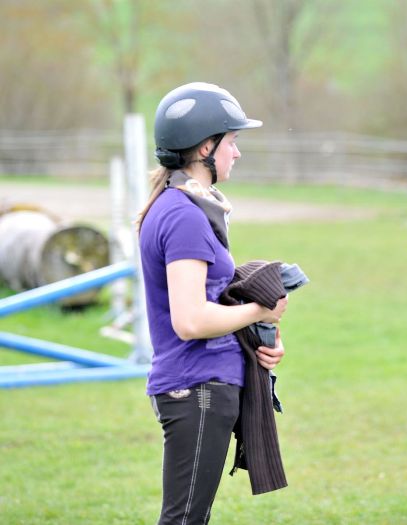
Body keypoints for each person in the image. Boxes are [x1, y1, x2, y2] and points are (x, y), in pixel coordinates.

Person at [137, 82, 288, 525]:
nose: (237, 152)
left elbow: (206, 301)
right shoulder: (184, 216)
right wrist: (260, 311)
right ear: (206, 147)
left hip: (200, 384)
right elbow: (190, 320)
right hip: (197, 387)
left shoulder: (182, 207)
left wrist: (259, 339)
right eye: (232, 141)